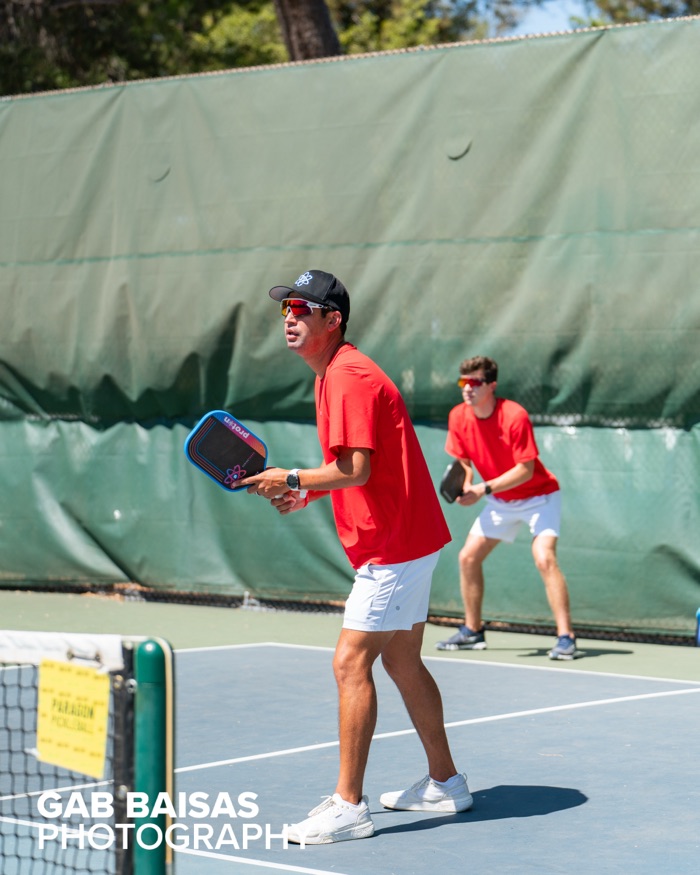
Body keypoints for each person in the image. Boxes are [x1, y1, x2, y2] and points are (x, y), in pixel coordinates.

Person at [240, 269, 472, 844]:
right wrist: (307, 492)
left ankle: (349, 807)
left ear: (332, 319)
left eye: (302, 309)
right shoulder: (332, 374)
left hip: (393, 546)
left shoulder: (346, 375)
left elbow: (357, 469)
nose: (290, 318)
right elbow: (358, 469)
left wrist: (293, 477)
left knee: (350, 664)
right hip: (406, 538)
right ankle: (446, 783)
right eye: (286, 309)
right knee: (402, 662)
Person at [436, 355, 578, 661]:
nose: (467, 388)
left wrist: (483, 489)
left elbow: (526, 470)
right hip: (501, 501)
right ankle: (473, 631)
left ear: (492, 386)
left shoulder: (514, 415)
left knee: (544, 558)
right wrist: (467, 485)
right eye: (463, 382)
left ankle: (566, 637)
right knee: (468, 558)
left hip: (539, 497)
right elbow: (463, 461)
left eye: (475, 382)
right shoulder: (458, 416)